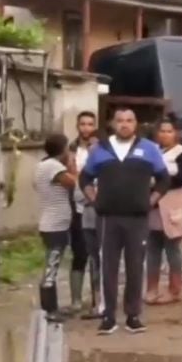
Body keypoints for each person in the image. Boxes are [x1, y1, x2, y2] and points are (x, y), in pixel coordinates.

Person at [80, 107, 171, 335]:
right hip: (108, 218)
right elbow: (84, 178)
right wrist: (95, 200)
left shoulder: (149, 149)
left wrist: (150, 201)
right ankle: (108, 316)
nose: (125, 124)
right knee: (108, 267)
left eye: (129, 120)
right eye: (120, 120)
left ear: (136, 123)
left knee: (135, 267)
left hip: (137, 219)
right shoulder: (100, 149)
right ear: (113, 123)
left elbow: (163, 179)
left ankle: (132, 316)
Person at [146, 118, 182, 305]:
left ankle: (175, 290)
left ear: (176, 133)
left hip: (173, 204)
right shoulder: (153, 152)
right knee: (152, 249)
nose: (165, 135)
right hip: (153, 205)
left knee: (172, 248)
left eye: (169, 131)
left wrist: (160, 184)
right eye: (162, 131)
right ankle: (152, 288)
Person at [34, 133, 77, 321]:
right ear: (62, 149)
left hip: (52, 222)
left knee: (53, 264)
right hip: (55, 225)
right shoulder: (54, 167)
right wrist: (72, 165)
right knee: (52, 267)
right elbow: (74, 183)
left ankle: (51, 307)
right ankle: (50, 310)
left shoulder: (42, 165)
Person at [71, 111, 103, 319]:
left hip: (98, 209)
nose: (86, 128)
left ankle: (98, 300)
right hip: (76, 208)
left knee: (98, 257)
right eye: (82, 124)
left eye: (90, 124)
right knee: (79, 254)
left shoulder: (101, 151)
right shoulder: (71, 150)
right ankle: (75, 300)